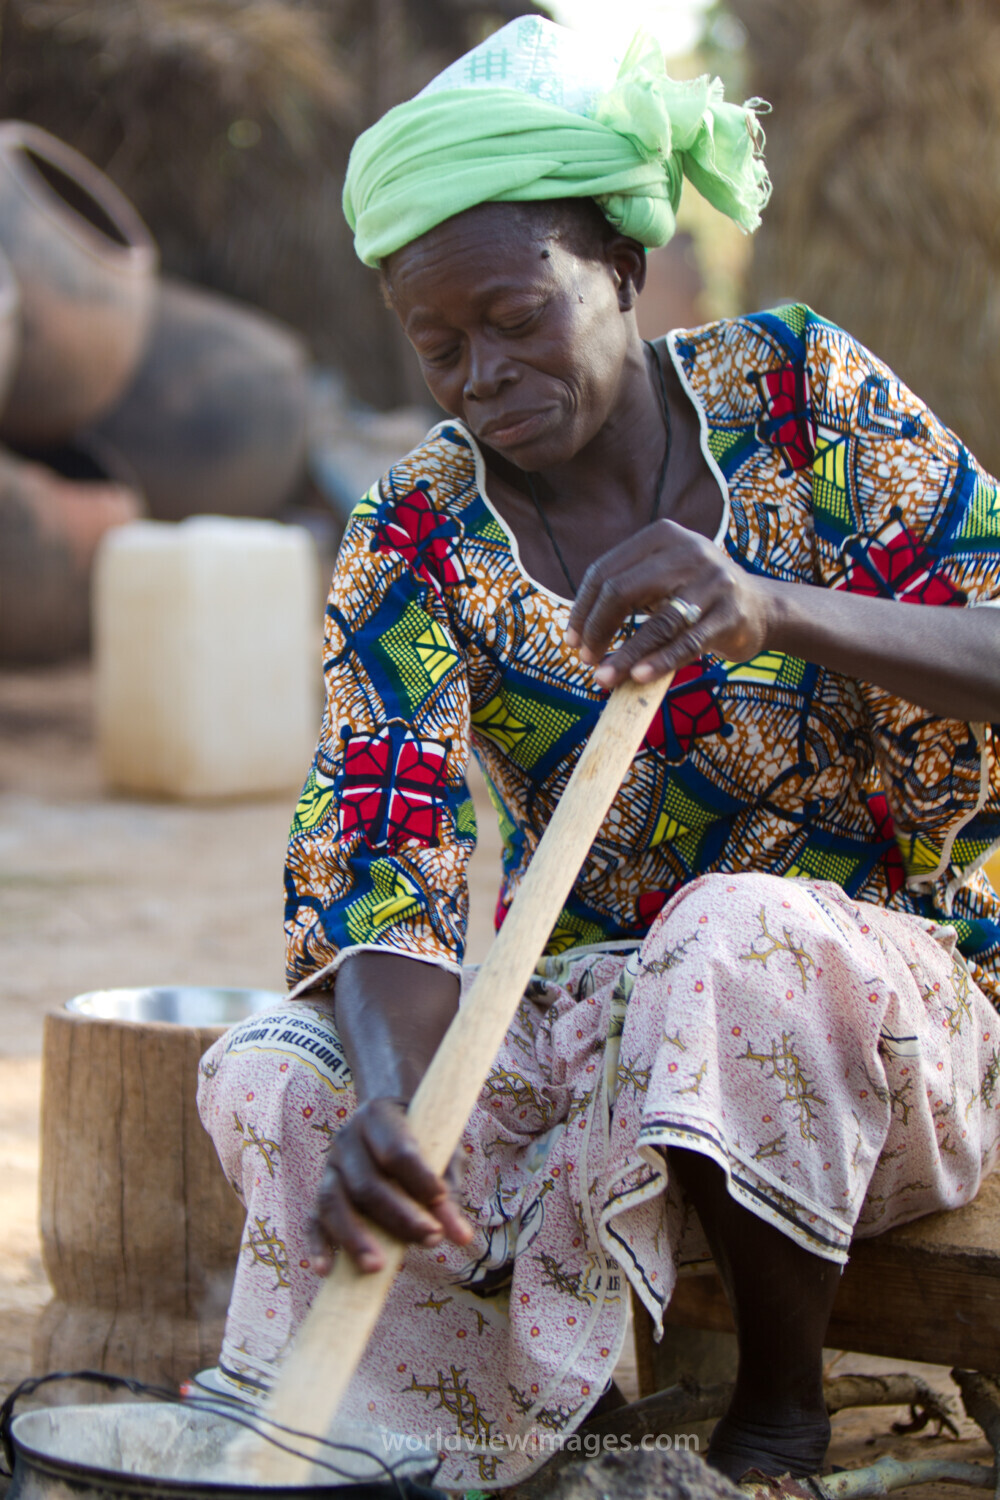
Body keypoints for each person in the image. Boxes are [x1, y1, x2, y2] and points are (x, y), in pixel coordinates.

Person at [198, 16, 1000, 1492]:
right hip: (605, 1034)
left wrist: (774, 609)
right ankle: (417, 1439)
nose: (481, 375)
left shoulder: (802, 398)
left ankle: (777, 1406)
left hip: (890, 1021)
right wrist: (396, 1095)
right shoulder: (416, 531)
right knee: (274, 1072)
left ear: (625, 268)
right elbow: (383, 839)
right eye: (439, 347)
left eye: (515, 317)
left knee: (735, 937)